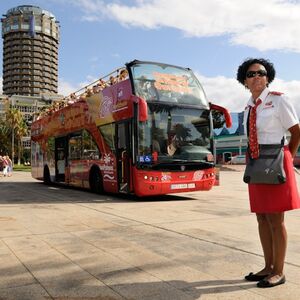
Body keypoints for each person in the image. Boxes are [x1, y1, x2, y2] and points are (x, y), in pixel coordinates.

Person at [236, 58, 300, 288]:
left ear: (268, 77)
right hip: (256, 161)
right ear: (245, 80)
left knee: (275, 219)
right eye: (251, 74)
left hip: (275, 159)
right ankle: (267, 267)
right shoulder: (248, 106)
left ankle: (279, 271)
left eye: (261, 73)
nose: (257, 77)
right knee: (261, 216)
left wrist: (287, 157)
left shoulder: (279, 101)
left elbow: (296, 131)